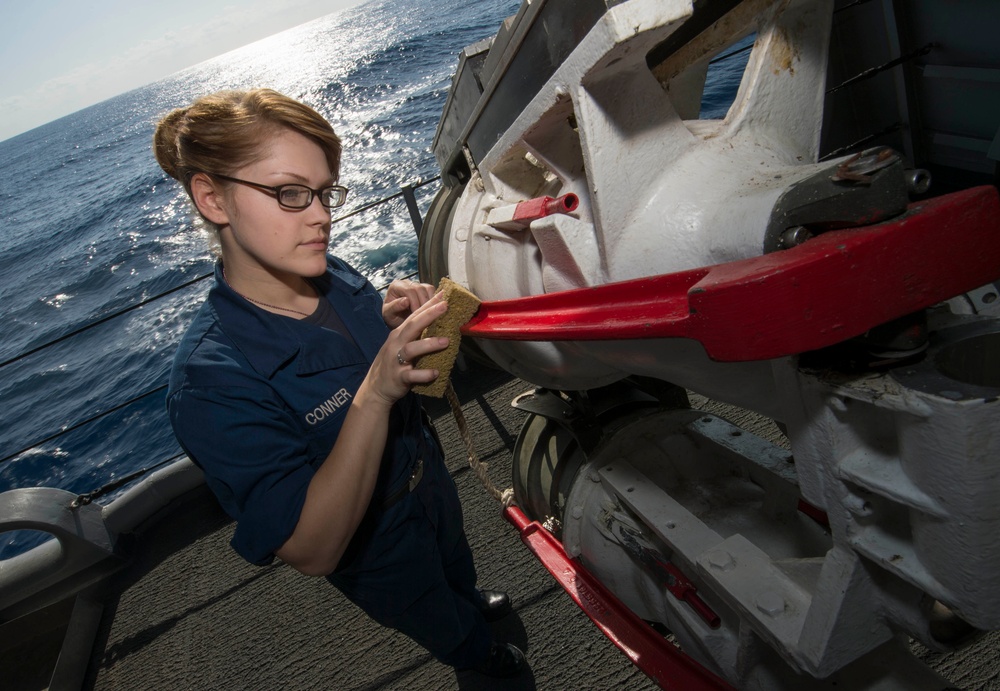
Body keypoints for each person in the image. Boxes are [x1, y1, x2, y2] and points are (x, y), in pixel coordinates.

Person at [153, 88, 525, 678]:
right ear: (211, 197)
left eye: (324, 192)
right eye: (290, 193)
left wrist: (387, 320)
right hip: (376, 544)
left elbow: (343, 347)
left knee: (459, 569)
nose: (323, 215)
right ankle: (482, 660)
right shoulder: (208, 385)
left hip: (427, 478)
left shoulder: (327, 269)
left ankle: (470, 603)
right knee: (450, 631)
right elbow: (312, 548)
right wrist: (375, 391)